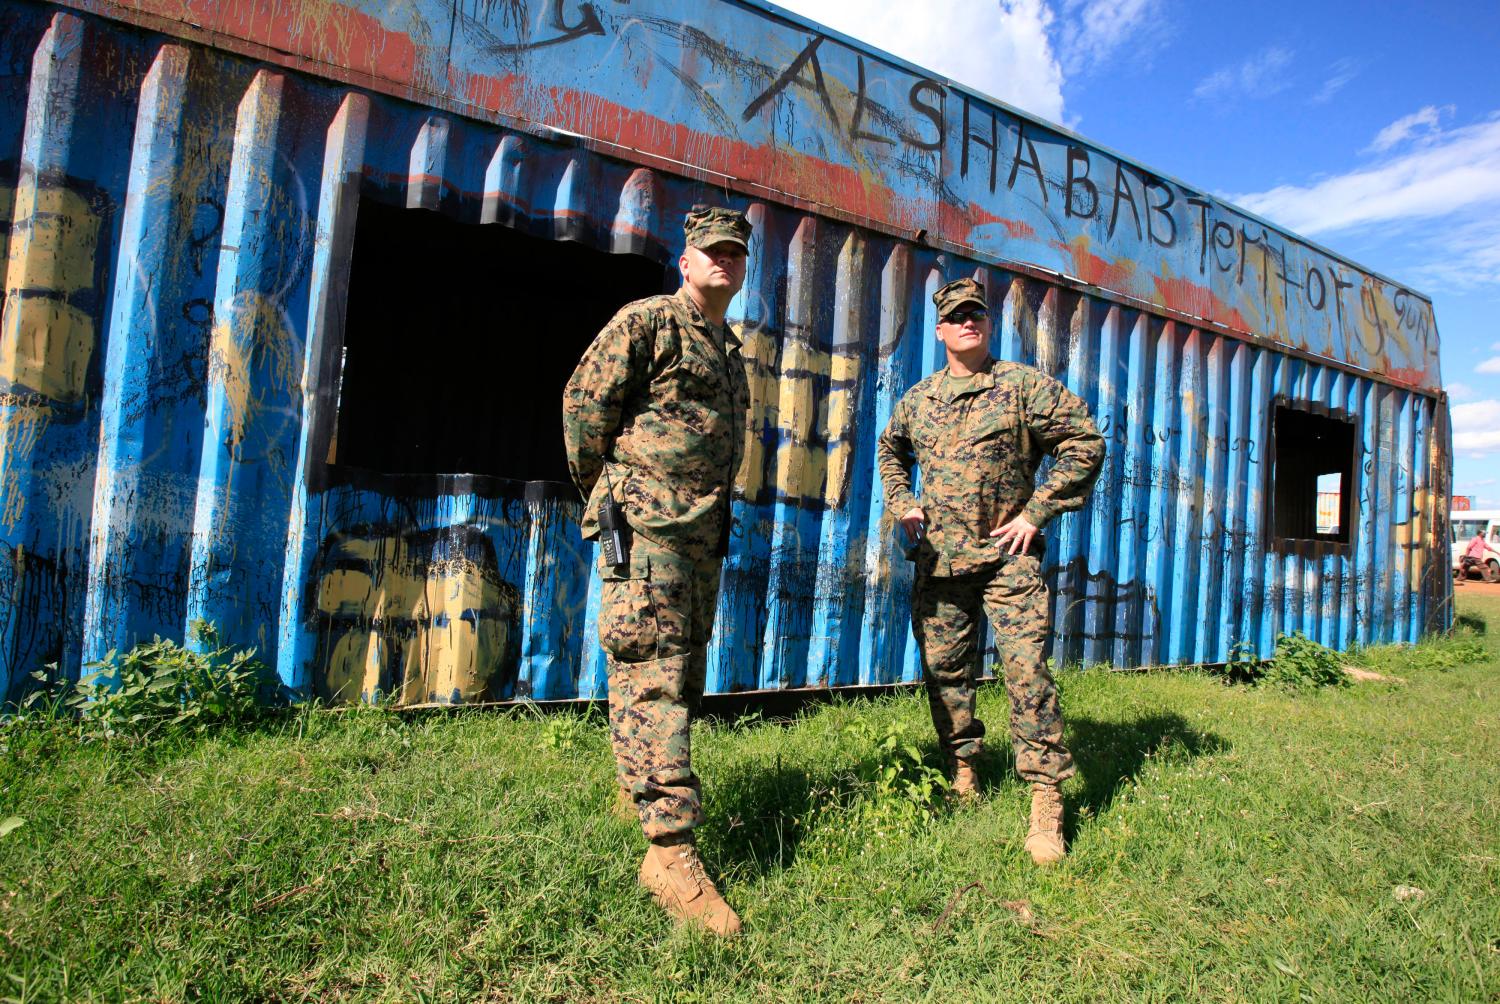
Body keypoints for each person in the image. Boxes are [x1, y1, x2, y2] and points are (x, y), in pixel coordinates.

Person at [562, 206, 751, 935]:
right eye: (712, 250)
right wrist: (614, 492)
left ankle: (638, 789)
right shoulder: (649, 322)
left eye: (735, 252)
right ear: (686, 258)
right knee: (655, 676)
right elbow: (584, 407)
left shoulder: (726, 347)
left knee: (679, 678)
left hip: (701, 539)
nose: (723, 262)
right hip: (649, 532)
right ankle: (670, 853)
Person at [875, 277, 1105, 866]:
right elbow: (889, 451)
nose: (968, 322)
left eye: (976, 313)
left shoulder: (1022, 387)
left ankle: (1045, 798)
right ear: (941, 329)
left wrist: (1038, 510)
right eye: (957, 316)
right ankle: (962, 770)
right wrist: (904, 502)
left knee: (1027, 670)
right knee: (945, 671)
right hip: (941, 561)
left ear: (987, 323)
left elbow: (1084, 441)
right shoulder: (918, 399)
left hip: (1008, 561)